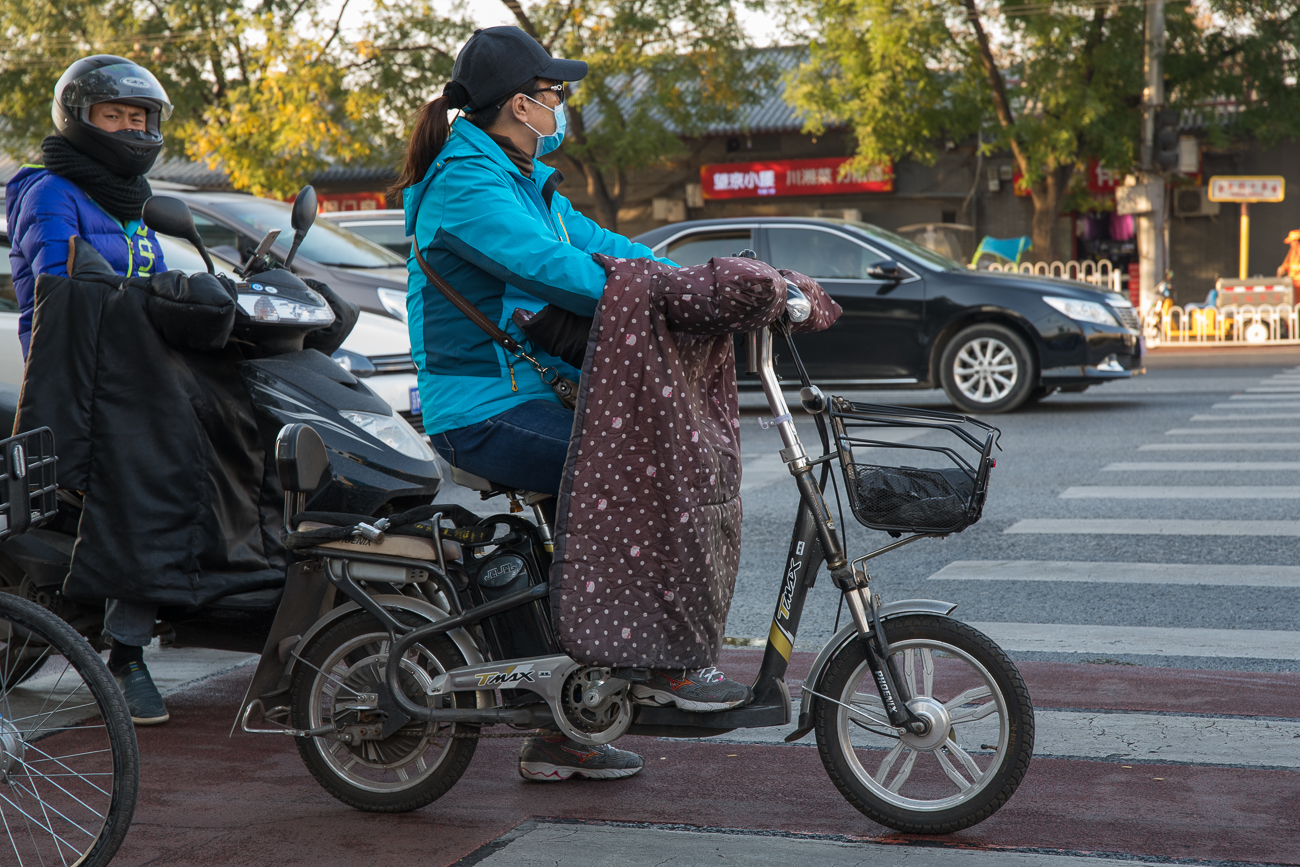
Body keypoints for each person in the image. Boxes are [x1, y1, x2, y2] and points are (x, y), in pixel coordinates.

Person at [395, 26, 753, 783]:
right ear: (521, 105)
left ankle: (568, 707)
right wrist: (662, 292)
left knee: (647, 460)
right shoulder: (466, 182)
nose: (563, 104)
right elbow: (551, 266)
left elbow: (605, 246)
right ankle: (648, 659)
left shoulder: (524, 178)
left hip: (524, 393)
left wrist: (698, 279)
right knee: (636, 466)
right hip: (479, 408)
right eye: (556, 93)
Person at [6, 55, 174, 726]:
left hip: (135, 374)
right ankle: (127, 652)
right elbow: (68, 285)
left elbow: (155, 285)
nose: (131, 128)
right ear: (79, 119)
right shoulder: (50, 192)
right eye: (115, 116)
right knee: (142, 482)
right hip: (76, 377)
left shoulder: (131, 203)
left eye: (141, 118)